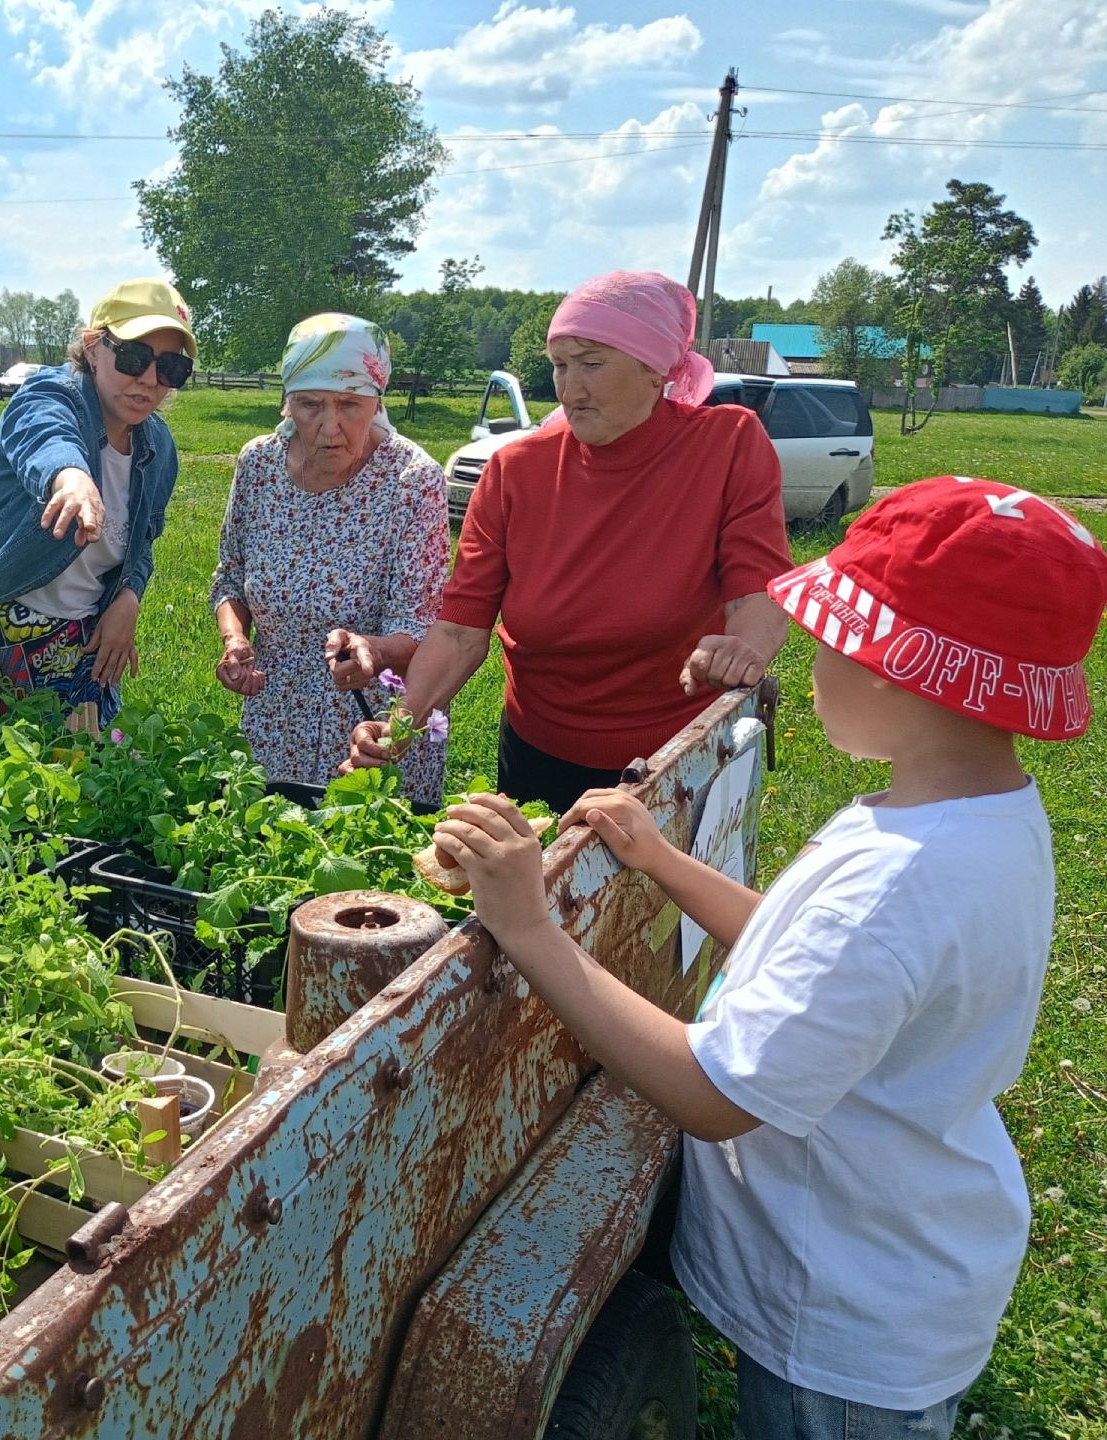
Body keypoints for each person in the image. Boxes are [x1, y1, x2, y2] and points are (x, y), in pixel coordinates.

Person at [430, 476, 1107, 1437]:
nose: (812, 665)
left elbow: (716, 1094)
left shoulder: (897, 886)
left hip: (841, 1322)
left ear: (892, 668)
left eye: (829, 642)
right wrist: (662, 861)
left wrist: (529, 927)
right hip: (899, 1256)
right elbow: (810, 960)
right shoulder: (971, 816)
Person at [347, 270, 792, 814]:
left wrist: (743, 648)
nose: (569, 388)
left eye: (591, 363)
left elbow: (758, 589)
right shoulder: (515, 471)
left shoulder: (726, 445)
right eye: (560, 365)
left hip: (679, 759)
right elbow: (461, 629)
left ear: (655, 368)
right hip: (539, 754)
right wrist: (401, 723)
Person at [0, 279, 195, 729]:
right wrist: (71, 479)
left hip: (82, 643)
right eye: (133, 357)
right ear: (92, 348)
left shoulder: (158, 447)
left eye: (170, 368)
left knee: (92, 767)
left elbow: (142, 543)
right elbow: (46, 435)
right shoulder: (48, 395)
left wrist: (129, 597)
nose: (149, 380)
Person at [210, 313, 451, 806]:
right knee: (271, 844)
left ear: (377, 401)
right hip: (275, 717)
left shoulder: (411, 480)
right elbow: (230, 578)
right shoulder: (258, 465)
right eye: (310, 404)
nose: (329, 427)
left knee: (366, 846)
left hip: (373, 726)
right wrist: (235, 640)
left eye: (349, 404)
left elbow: (424, 627)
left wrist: (374, 651)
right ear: (288, 402)